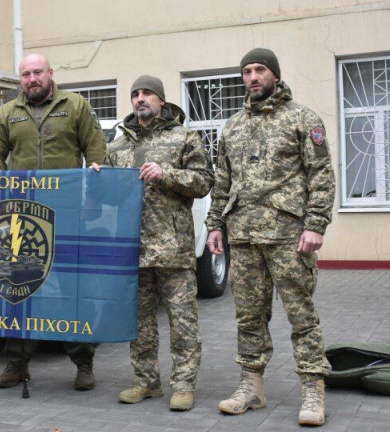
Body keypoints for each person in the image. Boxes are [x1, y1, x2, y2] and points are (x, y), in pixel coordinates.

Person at [205, 48, 336, 426]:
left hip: (288, 236)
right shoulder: (232, 126)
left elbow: (321, 175)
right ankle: (252, 386)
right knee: (248, 316)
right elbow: (223, 182)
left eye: (260, 69)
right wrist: (214, 225)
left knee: (301, 315)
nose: (253, 77)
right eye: (247, 71)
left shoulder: (302, 118)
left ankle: (313, 388)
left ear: (274, 75)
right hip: (243, 236)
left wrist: (315, 224)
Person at [93, 75, 215, 411]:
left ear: (161, 100)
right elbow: (108, 197)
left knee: (182, 320)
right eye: (135, 94)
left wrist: (166, 174)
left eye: (147, 93)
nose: (140, 99)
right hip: (132, 249)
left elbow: (205, 181)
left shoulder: (183, 137)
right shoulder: (118, 146)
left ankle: (184, 384)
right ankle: (146, 381)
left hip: (173, 247)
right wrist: (97, 177)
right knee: (140, 323)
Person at [0, 53, 106, 391]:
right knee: (20, 290)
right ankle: (18, 362)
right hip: (22, 218)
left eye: (37, 72)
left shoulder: (76, 105)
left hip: (67, 214)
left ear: (50, 73)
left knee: (72, 290)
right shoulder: (7, 112)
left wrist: (92, 200)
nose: (32, 79)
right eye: (25, 74)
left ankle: (83, 362)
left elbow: (97, 153)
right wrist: (1, 202)